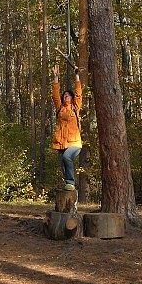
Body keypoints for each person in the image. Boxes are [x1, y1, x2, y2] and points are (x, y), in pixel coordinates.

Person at [51, 62, 83, 191]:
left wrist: (77, 77)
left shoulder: (75, 107)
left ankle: (70, 182)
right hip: (61, 143)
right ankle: (68, 185)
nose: (66, 96)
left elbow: (78, 93)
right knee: (62, 164)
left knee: (66, 157)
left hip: (74, 142)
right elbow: (55, 95)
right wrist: (56, 77)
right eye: (65, 95)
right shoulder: (60, 108)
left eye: (68, 95)